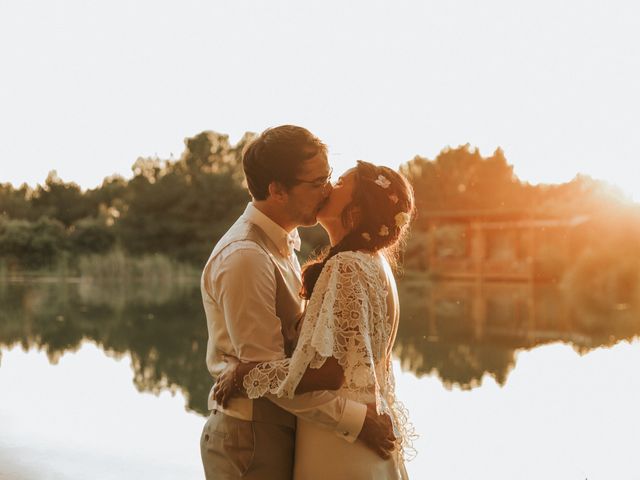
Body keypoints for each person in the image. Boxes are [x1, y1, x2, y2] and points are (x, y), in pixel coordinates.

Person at [199, 126, 397, 480]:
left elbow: (299, 365)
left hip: (309, 433)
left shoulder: (296, 249)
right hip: (253, 434)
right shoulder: (247, 256)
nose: (327, 190)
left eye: (331, 179)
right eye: (317, 181)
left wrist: (245, 372)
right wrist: (358, 419)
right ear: (277, 189)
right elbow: (268, 365)